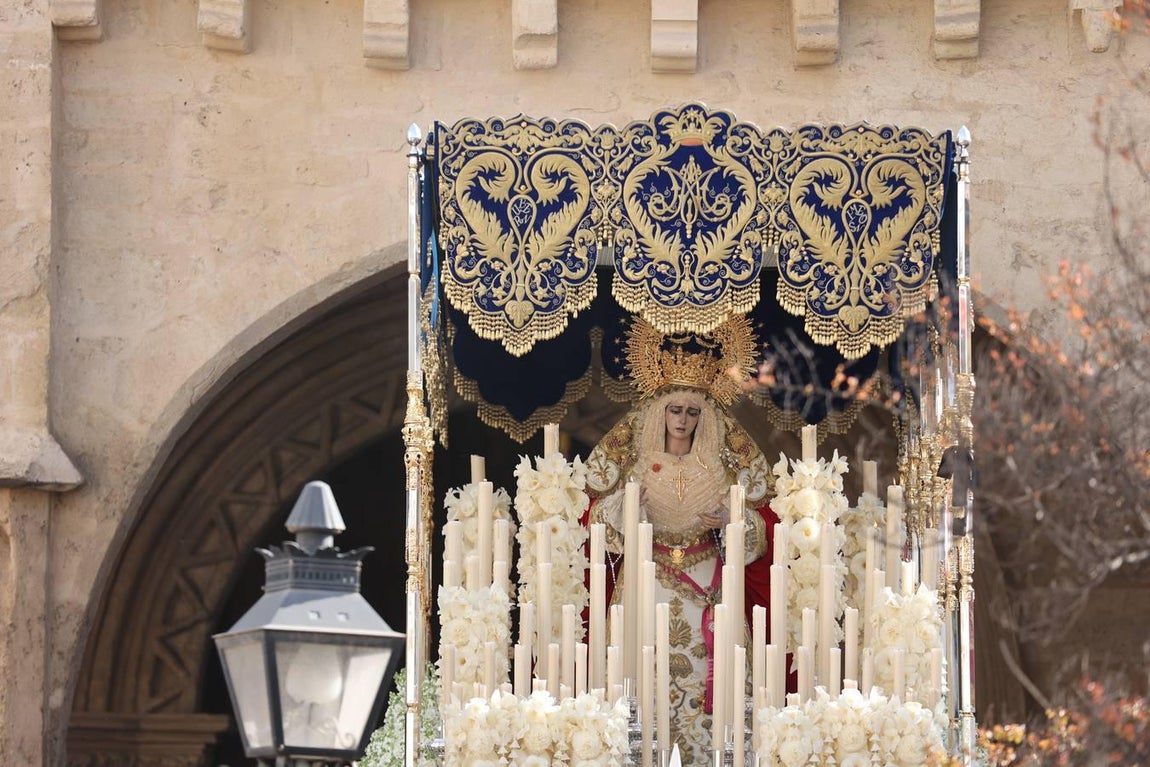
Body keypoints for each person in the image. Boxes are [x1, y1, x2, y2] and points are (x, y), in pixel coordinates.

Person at [583, 318, 780, 766]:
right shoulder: (636, 468)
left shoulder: (718, 472)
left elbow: (756, 533)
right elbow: (602, 522)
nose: (683, 420)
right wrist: (630, 510)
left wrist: (730, 520)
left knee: (705, 682)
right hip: (647, 583)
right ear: (660, 411)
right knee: (642, 680)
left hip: (705, 587)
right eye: (675, 410)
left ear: (704, 417)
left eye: (693, 412)